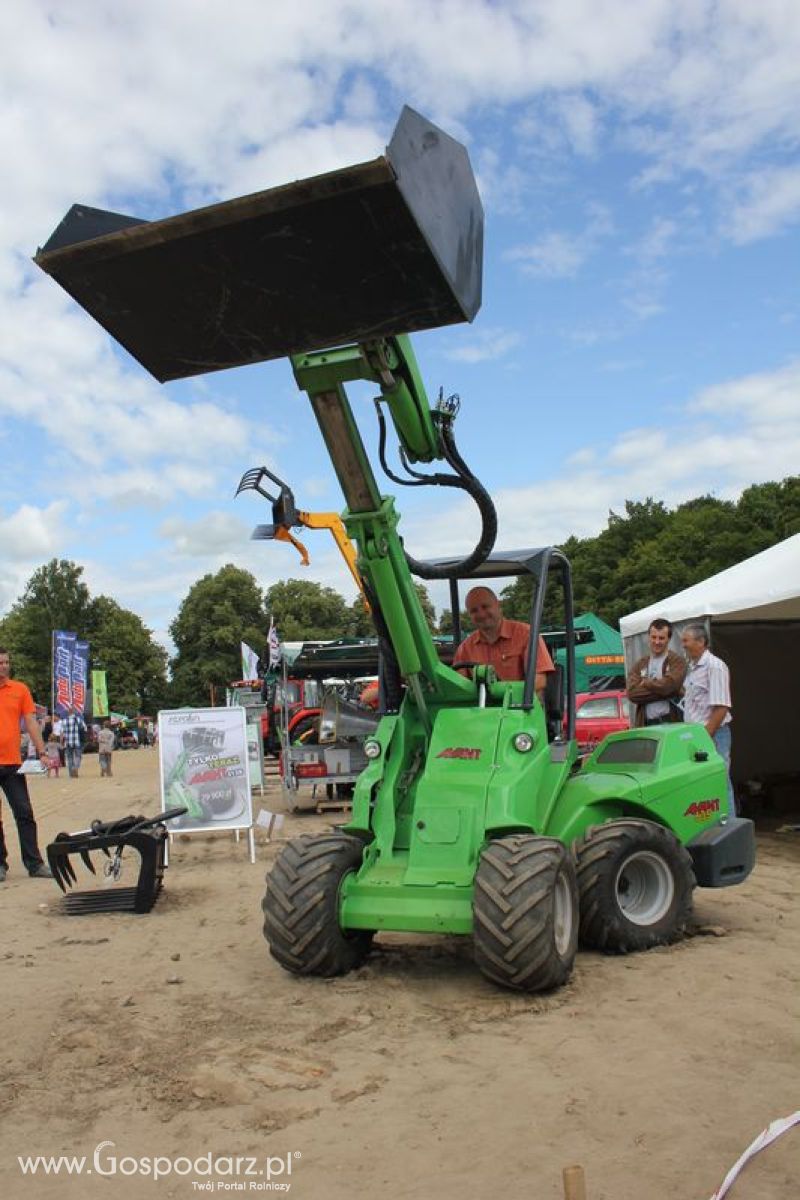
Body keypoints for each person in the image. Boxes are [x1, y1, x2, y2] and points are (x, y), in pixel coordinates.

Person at [0, 647, 52, 880]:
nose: (3, 666)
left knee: (24, 812)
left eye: (6, 662)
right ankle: (0, 865)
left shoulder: (19, 690)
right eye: (0, 663)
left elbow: (30, 722)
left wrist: (42, 752)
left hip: (12, 763)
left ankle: (34, 863)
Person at [453, 586, 555, 696]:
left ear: (498, 604)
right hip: (483, 710)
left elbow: (539, 681)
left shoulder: (527, 634)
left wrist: (498, 693)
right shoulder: (465, 648)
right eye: (474, 611)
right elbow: (458, 687)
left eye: (485, 607)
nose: (481, 614)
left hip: (520, 708)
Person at [680, 623, 736, 816]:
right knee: (703, 783)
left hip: (713, 735)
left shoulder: (715, 666)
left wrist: (706, 736)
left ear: (701, 642)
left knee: (719, 781)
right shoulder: (694, 667)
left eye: (686, 641)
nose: (683, 645)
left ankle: (729, 829)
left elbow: (721, 707)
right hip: (698, 735)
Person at [625, 618, 687, 727]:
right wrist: (667, 692)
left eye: (661, 638)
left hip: (671, 722)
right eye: (653, 637)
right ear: (648, 637)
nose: (657, 642)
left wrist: (646, 683)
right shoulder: (640, 664)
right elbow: (632, 694)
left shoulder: (677, 661)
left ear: (669, 639)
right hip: (646, 724)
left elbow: (670, 686)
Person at [61, 704, 87, 778]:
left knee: (69, 758)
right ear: (74, 711)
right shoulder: (78, 720)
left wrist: (61, 742)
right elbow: (85, 729)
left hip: (68, 742)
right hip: (77, 741)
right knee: (78, 756)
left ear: (67, 712)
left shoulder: (64, 721)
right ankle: (75, 767)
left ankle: (71, 773)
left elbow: (62, 733)